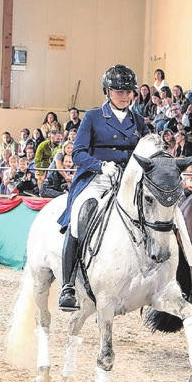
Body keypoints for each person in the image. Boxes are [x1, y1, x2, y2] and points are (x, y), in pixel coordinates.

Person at [57, 64, 147, 311]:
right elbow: (77, 153)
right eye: (119, 91)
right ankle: (68, 287)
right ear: (107, 91)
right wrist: (101, 165)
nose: (125, 95)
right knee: (80, 215)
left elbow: (149, 150)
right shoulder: (93, 117)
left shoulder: (138, 120)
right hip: (98, 178)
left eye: (128, 91)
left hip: (129, 181)